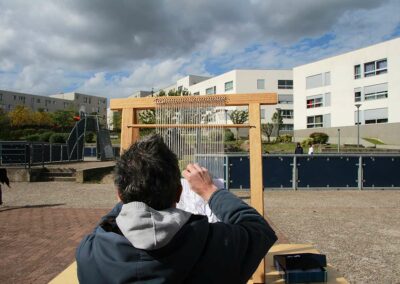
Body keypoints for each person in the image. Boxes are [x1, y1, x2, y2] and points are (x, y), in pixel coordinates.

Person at [76, 134, 277, 284]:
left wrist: (132, 192)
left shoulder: (90, 252)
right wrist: (209, 191)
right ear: (180, 192)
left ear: (119, 194)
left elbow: (106, 222)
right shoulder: (219, 245)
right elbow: (259, 229)